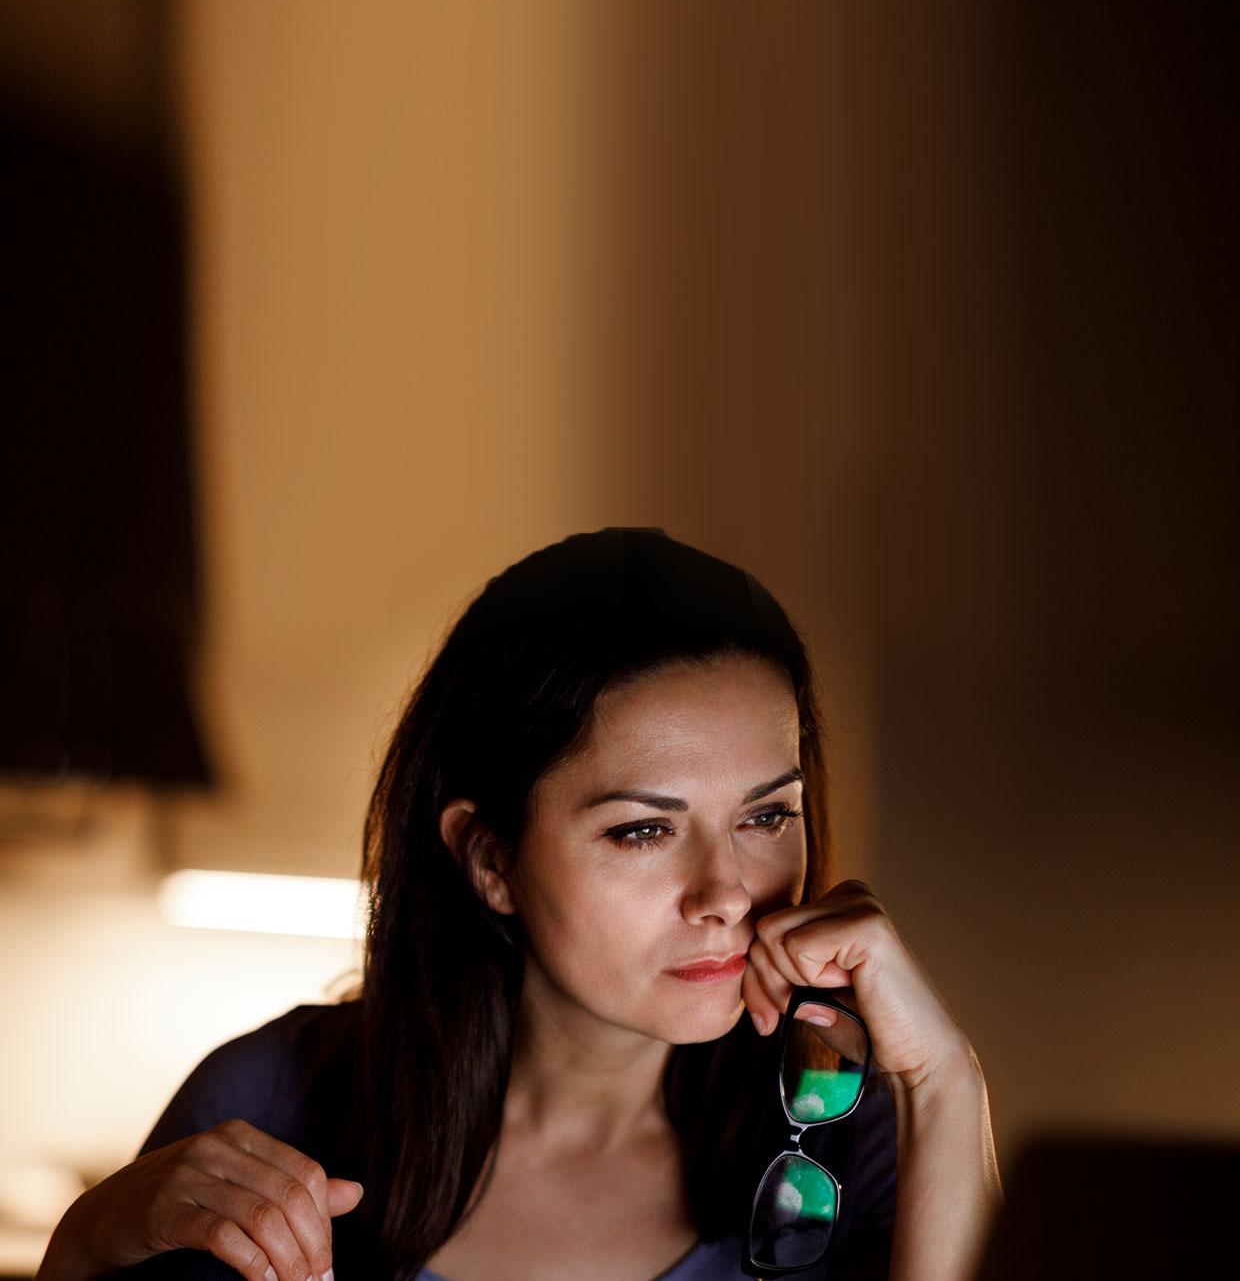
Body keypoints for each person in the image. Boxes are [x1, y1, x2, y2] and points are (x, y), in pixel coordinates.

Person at [36, 528, 1003, 1281]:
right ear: (489, 858)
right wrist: (88, 1245)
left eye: (766, 816)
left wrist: (945, 1082)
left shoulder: (851, 1129)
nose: (724, 895)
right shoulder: (272, 1101)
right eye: (644, 830)